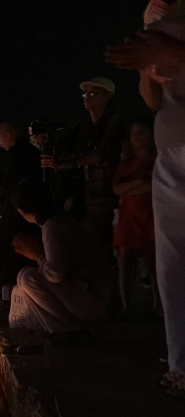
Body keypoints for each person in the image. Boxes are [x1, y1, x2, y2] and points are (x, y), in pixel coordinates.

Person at [105, 0, 185, 395]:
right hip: (171, 155)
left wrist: (173, 55)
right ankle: (180, 366)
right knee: (172, 267)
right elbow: (154, 102)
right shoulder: (158, 24)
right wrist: (145, 70)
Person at [8, 178, 112, 334]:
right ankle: (61, 327)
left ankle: (67, 329)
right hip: (99, 299)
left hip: (95, 303)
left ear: (22, 211)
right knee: (26, 276)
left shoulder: (53, 227)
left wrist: (37, 255)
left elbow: (56, 274)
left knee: (26, 276)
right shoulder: (63, 221)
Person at [41, 78, 124, 258]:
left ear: (107, 96)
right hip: (81, 193)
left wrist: (64, 164)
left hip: (106, 190)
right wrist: (45, 142)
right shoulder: (83, 124)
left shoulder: (115, 121)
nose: (87, 97)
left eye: (93, 93)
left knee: (101, 241)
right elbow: (65, 145)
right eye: (85, 94)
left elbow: (102, 153)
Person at [0, 122, 41, 289]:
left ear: (8, 135)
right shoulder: (31, 150)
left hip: (18, 210)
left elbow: (10, 181)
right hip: (33, 206)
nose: (0, 145)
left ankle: (11, 289)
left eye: (0, 140)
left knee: (13, 250)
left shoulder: (16, 151)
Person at [113, 117, 161, 317]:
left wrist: (133, 186)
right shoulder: (127, 164)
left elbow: (155, 185)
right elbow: (116, 188)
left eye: (141, 133)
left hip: (150, 215)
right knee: (125, 260)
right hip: (129, 217)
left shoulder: (158, 159)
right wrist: (140, 183)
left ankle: (159, 304)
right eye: (134, 134)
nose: (137, 138)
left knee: (153, 261)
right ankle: (126, 306)